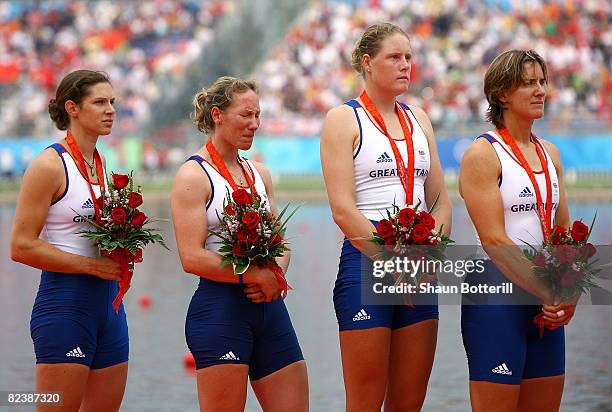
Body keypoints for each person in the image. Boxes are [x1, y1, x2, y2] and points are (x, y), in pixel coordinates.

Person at [320, 22, 452, 411]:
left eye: (409, 57)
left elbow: (441, 201)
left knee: (408, 404)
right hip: (367, 264)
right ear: (367, 63)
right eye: (394, 57)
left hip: (419, 267)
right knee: (364, 403)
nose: (405, 65)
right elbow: (342, 209)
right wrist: (394, 260)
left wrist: (427, 255)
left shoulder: (420, 119)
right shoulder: (342, 119)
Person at [171, 76, 308, 411]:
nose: (254, 124)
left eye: (258, 115)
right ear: (217, 115)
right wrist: (252, 275)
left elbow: (281, 241)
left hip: (270, 309)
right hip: (220, 311)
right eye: (246, 115)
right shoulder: (193, 176)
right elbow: (191, 257)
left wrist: (275, 274)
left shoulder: (259, 173)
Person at [459, 49, 576, 412]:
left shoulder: (550, 153)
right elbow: (494, 239)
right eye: (528, 83)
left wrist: (569, 291)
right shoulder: (483, 154)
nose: (539, 90)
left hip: (546, 299)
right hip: (496, 294)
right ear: (502, 93)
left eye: (541, 81)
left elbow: (565, 232)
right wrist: (550, 291)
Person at [10, 70, 127, 411]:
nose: (110, 110)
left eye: (113, 102)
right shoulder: (49, 165)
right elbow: (20, 245)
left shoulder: (101, 163)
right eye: (100, 102)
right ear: (72, 108)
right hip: (65, 306)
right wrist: (92, 266)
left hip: (110, 308)